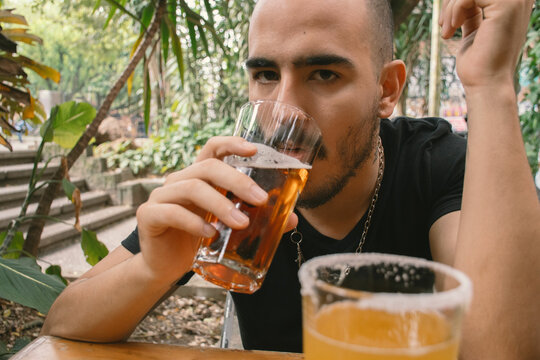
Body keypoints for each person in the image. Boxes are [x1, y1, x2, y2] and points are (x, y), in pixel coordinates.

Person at [42, 0, 540, 358]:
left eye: (323, 74)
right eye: (264, 74)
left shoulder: (438, 166)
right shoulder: (232, 185)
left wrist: (491, 82)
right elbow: (63, 324)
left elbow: (502, 350)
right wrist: (153, 268)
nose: (282, 114)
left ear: (387, 90)